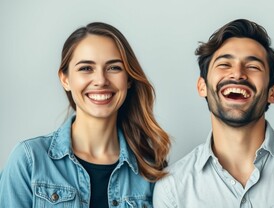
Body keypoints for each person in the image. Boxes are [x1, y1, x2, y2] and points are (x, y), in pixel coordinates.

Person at [153, 19, 274, 207]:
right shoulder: (173, 188)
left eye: (253, 66)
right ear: (202, 87)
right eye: (224, 64)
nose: (238, 73)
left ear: (273, 93)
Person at [0, 22, 171, 207]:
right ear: (65, 79)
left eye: (114, 67)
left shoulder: (151, 169)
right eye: (86, 68)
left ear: (128, 79)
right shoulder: (29, 160)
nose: (100, 80)